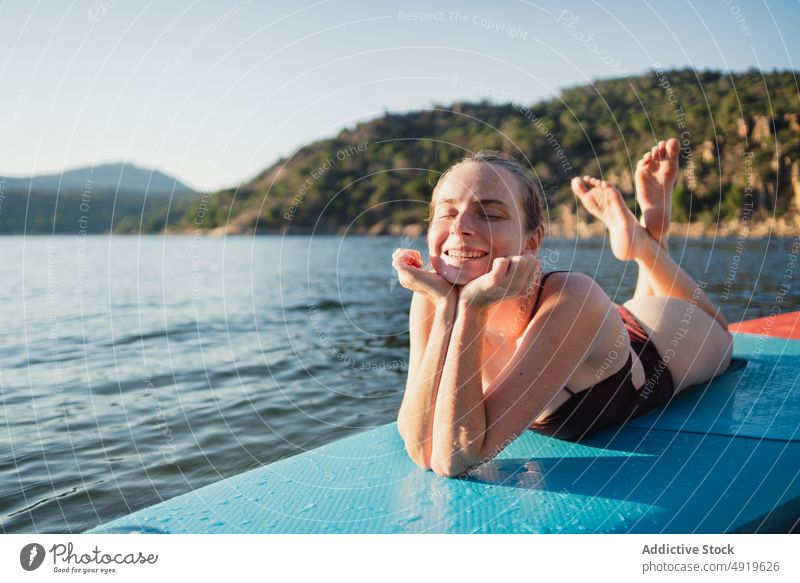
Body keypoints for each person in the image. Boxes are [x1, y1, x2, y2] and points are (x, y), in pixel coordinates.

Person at [392, 139, 733, 478]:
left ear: (532, 241)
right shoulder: (432, 296)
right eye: (447, 212)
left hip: (658, 339)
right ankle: (651, 234)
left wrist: (470, 307)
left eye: (491, 214)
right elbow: (422, 448)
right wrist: (447, 309)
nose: (460, 226)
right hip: (596, 336)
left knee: (723, 334)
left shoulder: (572, 295)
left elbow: (457, 458)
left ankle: (645, 247)